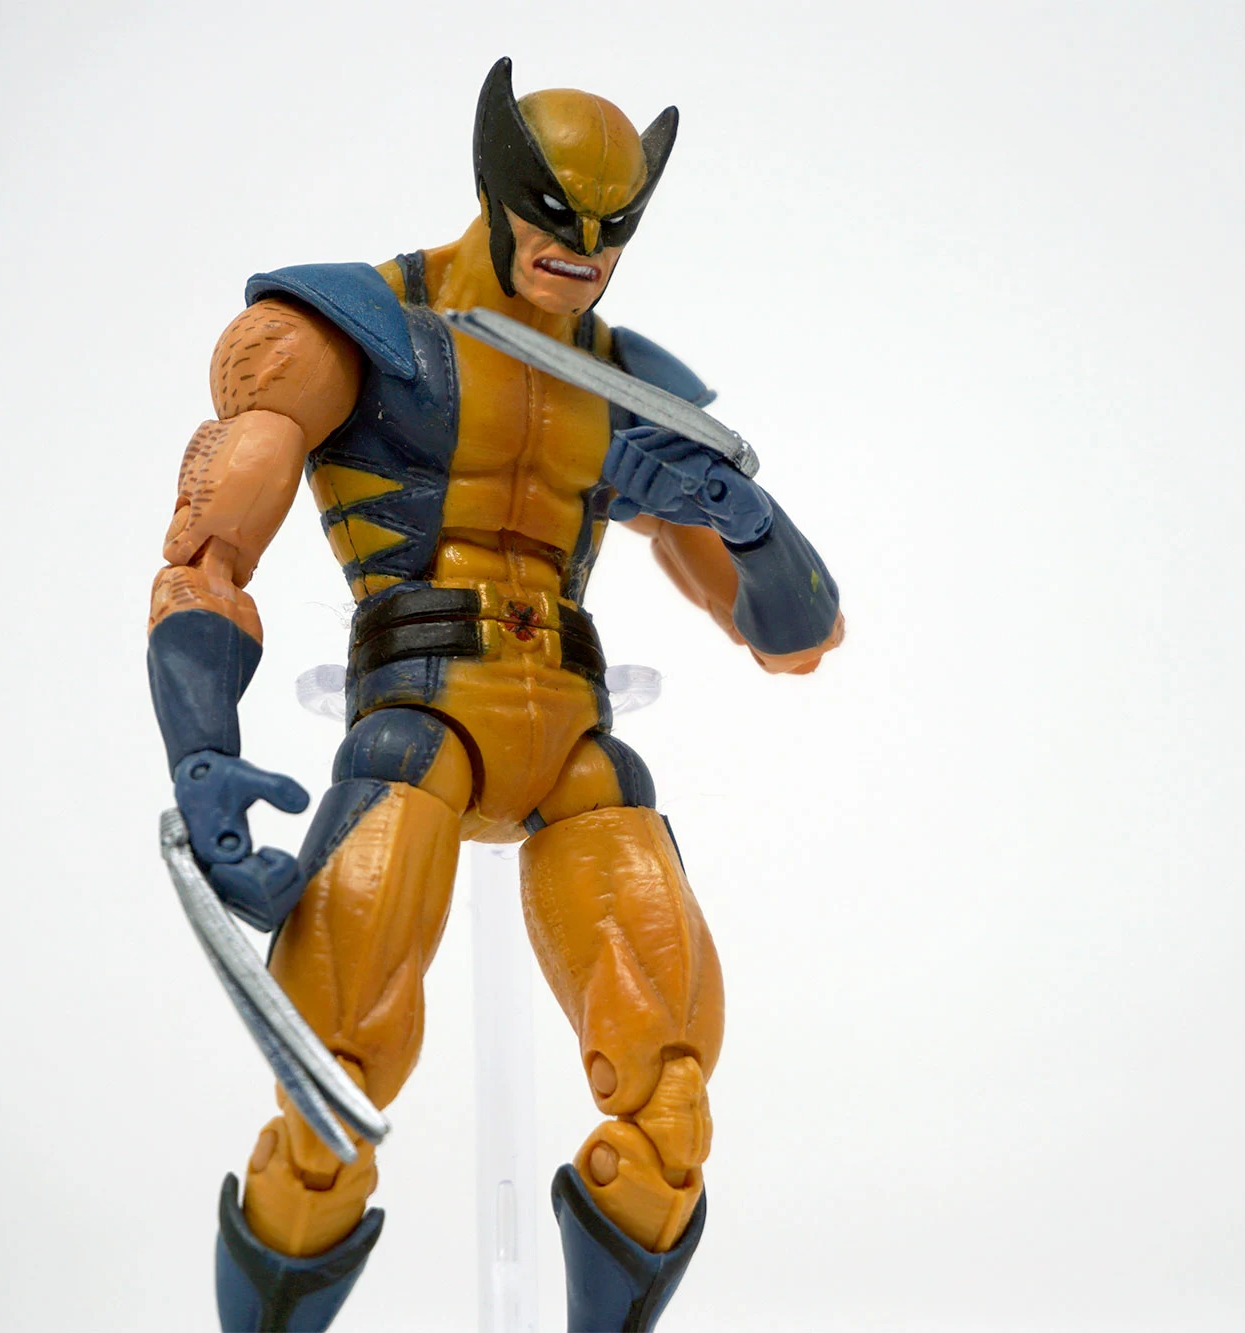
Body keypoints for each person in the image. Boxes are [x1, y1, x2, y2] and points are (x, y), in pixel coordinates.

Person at [145, 56, 843, 1332]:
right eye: (556, 218)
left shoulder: (632, 388)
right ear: (495, 184)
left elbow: (795, 639)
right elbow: (208, 553)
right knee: (327, 1096)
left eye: (612, 229)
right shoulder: (353, 328)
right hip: (416, 722)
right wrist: (200, 748)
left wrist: (743, 519)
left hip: (577, 742)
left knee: (670, 1107)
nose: (583, 252)